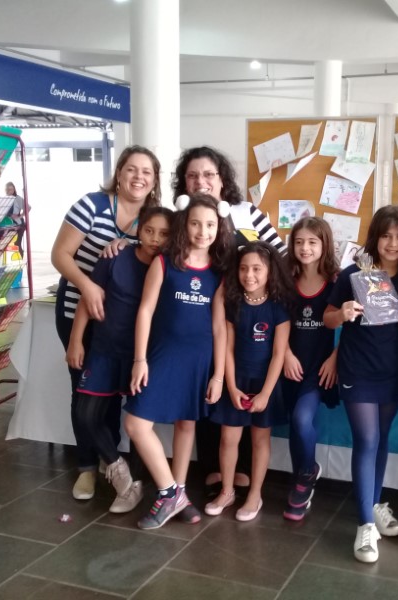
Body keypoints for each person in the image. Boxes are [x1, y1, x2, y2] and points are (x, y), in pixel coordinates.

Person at [173, 146, 287, 497]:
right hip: (194, 318)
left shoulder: (247, 213)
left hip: (243, 319)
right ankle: (213, 467)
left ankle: (242, 471)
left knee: (243, 391)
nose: (201, 181)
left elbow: (279, 256)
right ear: (184, 183)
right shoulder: (178, 217)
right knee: (210, 393)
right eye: (193, 175)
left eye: (209, 174)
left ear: (222, 179)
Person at [51, 145, 161, 501]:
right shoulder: (92, 205)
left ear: (155, 179)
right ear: (119, 172)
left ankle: (107, 458)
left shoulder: (152, 219)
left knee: (111, 393)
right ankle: (86, 467)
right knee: (83, 392)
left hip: (118, 323)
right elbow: (60, 254)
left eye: (146, 171)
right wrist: (87, 285)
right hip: (78, 309)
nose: (138, 177)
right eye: (131, 169)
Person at [126, 194, 232, 529]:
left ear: (219, 227)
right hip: (161, 355)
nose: (203, 231)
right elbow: (145, 311)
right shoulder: (164, 262)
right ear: (184, 224)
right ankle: (170, 492)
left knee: (187, 424)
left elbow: (219, 327)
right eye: (196, 223)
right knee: (136, 424)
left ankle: (179, 492)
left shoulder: (220, 271)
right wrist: (140, 359)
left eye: (210, 225)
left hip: (199, 360)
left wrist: (218, 375)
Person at [323, 206, 398, 563]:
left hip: (391, 371)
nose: (393, 243)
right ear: (374, 237)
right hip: (356, 370)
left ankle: (375, 504)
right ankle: (365, 525)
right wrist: (343, 313)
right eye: (386, 235)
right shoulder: (354, 273)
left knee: (381, 439)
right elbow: (328, 319)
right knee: (366, 440)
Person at [66, 206, 172, 513]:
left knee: (139, 423)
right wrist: (76, 340)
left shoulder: (171, 266)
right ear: (138, 230)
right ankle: (118, 470)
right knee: (86, 414)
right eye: (149, 230)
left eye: (164, 234)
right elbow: (89, 299)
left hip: (144, 356)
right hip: (104, 350)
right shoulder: (115, 257)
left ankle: (135, 484)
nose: (155, 239)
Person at [205, 241, 292, 521]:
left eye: (256, 269)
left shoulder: (279, 306)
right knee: (228, 438)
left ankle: (255, 494)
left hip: (265, 384)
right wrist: (231, 386)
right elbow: (228, 349)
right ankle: (227, 491)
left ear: (270, 271)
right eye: (243, 268)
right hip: (237, 381)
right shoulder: (233, 303)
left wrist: (265, 393)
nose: (249, 275)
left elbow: (279, 354)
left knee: (259, 439)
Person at [282, 217, 339, 521]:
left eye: (312, 242)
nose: (305, 248)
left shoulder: (337, 283)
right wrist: (285, 354)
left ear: (324, 245)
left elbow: (354, 328)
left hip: (319, 370)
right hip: (288, 366)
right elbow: (275, 321)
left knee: (302, 419)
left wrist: (335, 358)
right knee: (295, 423)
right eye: (299, 242)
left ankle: (307, 474)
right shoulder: (285, 280)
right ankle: (299, 481)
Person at [5, 182, 27, 258]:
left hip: (17, 222)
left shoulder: (17, 198)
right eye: (7, 189)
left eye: (11, 189)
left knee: (18, 243)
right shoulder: (5, 199)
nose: (9, 191)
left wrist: (20, 216)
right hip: (7, 222)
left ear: (14, 190)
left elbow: (28, 208)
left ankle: (19, 247)